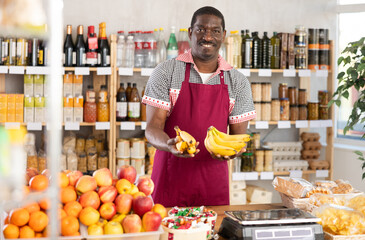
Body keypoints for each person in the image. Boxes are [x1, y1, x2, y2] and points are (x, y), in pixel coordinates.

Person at [142, 6, 256, 207]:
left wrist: (233, 151)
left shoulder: (237, 81)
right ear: (190, 32)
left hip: (213, 183)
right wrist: (170, 144)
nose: (208, 36)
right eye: (201, 29)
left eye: (215, 31)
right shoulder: (165, 72)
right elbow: (152, 129)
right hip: (170, 178)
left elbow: (238, 138)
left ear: (223, 35)